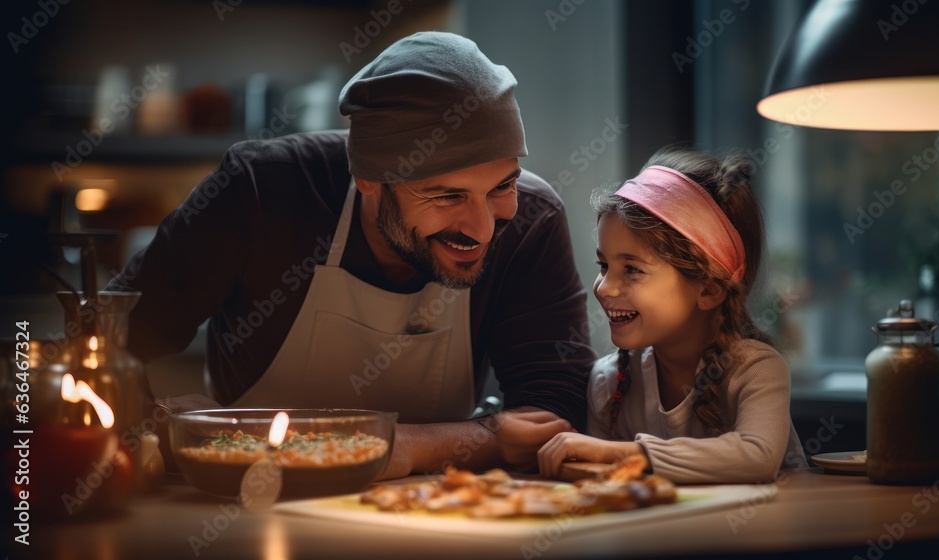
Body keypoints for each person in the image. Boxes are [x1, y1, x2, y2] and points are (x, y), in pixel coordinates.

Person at [109, 32, 594, 478]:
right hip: (250, 500)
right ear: (367, 180)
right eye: (446, 196)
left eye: (501, 186)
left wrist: (406, 447)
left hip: (436, 510)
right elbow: (106, 342)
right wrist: (158, 419)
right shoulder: (260, 190)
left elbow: (555, 410)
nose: (483, 228)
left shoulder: (533, 220)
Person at [537, 148, 805, 484]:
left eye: (632, 269)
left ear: (707, 289)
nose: (604, 289)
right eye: (604, 266)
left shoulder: (756, 369)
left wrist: (624, 453)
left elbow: (757, 455)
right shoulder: (608, 383)